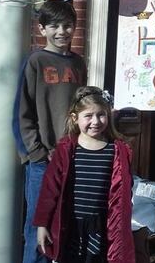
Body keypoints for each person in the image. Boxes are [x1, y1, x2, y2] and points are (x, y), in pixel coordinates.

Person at [12, 0, 87, 263]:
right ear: (42, 29)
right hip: (43, 162)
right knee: (38, 226)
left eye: (67, 25)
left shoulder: (78, 63)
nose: (62, 32)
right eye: (54, 26)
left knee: (67, 222)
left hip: (73, 156)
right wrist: (36, 153)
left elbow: (83, 109)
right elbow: (22, 112)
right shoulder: (36, 61)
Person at [34, 86, 135, 263]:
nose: (95, 121)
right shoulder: (66, 150)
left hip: (102, 227)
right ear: (75, 118)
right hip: (70, 225)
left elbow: (123, 191)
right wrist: (42, 224)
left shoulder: (117, 151)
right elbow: (50, 190)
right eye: (88, 116)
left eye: (101, 114)